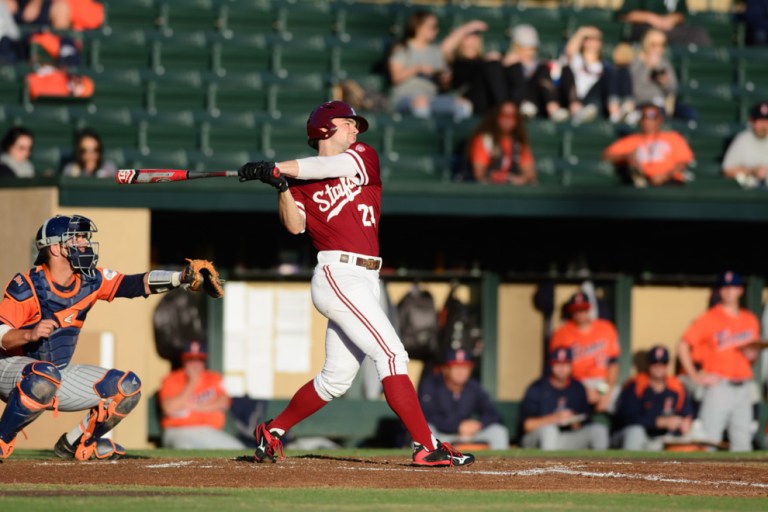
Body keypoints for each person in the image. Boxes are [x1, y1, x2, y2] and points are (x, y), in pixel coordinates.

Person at [236, 100, 475, 467]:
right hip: (337, 273)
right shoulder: (300, 181)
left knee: (336, 379)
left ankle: (274, 430)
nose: (355, 130)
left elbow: (330, 165)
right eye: (348, 123)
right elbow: (295, 225)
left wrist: (278, 167)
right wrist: (281, 186)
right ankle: (425, 445)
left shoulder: (361, 156)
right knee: (392, 354)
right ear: (323, 129)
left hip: (366, 278)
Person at [0, 214, 221, 460]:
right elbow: (1, 335)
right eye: (77, 238)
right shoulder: (28, 285)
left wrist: (180, 278)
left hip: (53, 373)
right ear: (55, 248)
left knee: (127, 387)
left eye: (84, 237)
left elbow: (134, 284)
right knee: (44, 375)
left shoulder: (90, 279)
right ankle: (2, 438)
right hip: (9, 369)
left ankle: (78, 443)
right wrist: (30, 333)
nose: (84, 243)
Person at [676, 271, 761, 452]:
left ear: (740, 290)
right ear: (719, 291)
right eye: (724, 287)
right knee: (710, 441)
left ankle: (742, 481)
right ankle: (705, 480)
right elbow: (683, 345)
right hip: (718, 385)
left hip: (743, 386)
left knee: (743, 443)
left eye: (732, 287)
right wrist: (694, 376)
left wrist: (753, 355)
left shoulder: (750, 319)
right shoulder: (709, 318)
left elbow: (752, 357)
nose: (728, 292)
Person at [387, 10, 480, 121]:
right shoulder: (402, 48)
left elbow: (443, 85)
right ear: (418, 27)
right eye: (432, 27)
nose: (436, 30)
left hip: (431, 97)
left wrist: (444, 79)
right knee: (420, 103)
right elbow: (395, 78)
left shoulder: (435, 52)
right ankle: (423, 135)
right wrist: (418, 68)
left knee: (463, 104)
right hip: (404, 97)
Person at [158, 340, 245, 450]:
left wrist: (194, 407)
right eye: (190, 359)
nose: (195, 363)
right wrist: (192, 383)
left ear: (204, 361)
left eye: (199, 359)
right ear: (184, 360)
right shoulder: (172, 379)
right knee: (184, 448)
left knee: (239, 450)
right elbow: (169, 408)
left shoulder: (213, 378)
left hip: (209, 433)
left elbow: (224, 402)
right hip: (178, 431)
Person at [417, 348, 509, 450]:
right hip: (442, 435)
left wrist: (478, 424)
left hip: (467, 434)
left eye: (465, 367)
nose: (461, 372)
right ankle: (428, 461)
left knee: (499, 432)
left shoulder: (473, 387)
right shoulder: (431, 384)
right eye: (456, 367)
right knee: (427, 430)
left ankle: (500, 463)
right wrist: (457, 426)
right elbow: (425, 416)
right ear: (445, 369)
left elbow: (493, 413)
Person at [519, 347, 609, 450]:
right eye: (558, 364)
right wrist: (554, 418)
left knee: (599, 430)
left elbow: (584, 419)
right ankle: (549, 466)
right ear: (551, 365)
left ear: (571, 365)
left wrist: (575, 422)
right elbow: (527, 426)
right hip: (536, 438)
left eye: (565, 364)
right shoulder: (537, 388)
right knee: (550, 431)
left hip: (566, 437)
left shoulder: (578, 388)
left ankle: (601, 466)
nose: (562, 368)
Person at [548, 292, 621, 414]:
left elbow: (614, 363)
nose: (580, 313)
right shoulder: (561, 333)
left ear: (589, 308)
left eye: (583, 309)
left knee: (623, 402)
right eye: (576, 310)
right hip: (575, 384)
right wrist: (584, 390)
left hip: (602, 383)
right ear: (571, 311)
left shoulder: (606, 328)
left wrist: (604, 393)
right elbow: (558, 369)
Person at [612, 345, 694, 451]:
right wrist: (658, 422)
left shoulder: (676, 386)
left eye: (663, 363)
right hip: (632, 437)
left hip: (662, 439)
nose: (658, 366)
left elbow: (687, 413)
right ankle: (629, 467)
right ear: (648, 364)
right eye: (655, 363)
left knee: (691, 436)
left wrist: (685, 422)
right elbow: (626, 418)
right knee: (635, 432)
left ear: (667, 365)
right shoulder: (636, 384)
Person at [602, 103, 695, 187]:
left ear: (660, 120)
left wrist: (664, 176)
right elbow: (607, 155)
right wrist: (627, 157)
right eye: (644, 116)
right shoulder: (631, 140)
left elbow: (683, 162)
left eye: (652, 116)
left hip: (670, 183)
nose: (647, 120)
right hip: (642, 184)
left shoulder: (673, 138)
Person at [558, 26, 630, 125]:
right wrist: (582, 32)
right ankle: (577, 112)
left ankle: (617, 113)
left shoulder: (605, 67)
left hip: (595, 102)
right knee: (566, 70)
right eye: (590, 38)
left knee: (614, 73)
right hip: (575, 99)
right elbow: (569, 53)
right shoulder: (576, 60)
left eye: (597, 39)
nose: (593, 42)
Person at [499, 24, 569, 122]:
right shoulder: (508, 63)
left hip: (538, 104)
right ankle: (524, 105)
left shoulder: (540, 65)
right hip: (516, 102)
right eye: (525, 48)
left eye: (532, 48)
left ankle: (553, 109)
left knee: (544, 69)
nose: (529, 52)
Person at [465, 100, 536, 185]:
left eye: (512, 116)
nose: (507, 120)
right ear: (496, 117)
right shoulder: (484, 139)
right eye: (503, 115)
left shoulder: (519, 142)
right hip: (485, 192)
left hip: (512, 192)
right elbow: (479, 174)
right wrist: (504, 177)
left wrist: (521, 179)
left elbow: (529, 172)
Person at [628, 29, 679, 121]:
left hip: (657, 104)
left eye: (662, 45)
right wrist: (647, 67)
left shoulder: (664, 64)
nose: (658, 48)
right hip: (639, 104)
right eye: (654, 45)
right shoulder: (636, 62)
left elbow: (673, 88)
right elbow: (633, 86)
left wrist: (665, 82)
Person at [616, 0, 712, 48]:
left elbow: (682, 14)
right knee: (655, 36)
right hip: (647, 29)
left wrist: (672, 18)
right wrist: (651, 18)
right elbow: (625, 14)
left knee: (699, 33)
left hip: (672, 29)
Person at [721, 101, 768, 189]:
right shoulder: (743, 139)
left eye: (766, 121)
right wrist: (752, 171)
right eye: (760, 121)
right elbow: (727, 170)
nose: (764, 125)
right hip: (749, 191)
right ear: (752, 121)